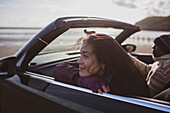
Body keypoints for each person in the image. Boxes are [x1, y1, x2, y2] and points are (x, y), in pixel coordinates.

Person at [53, 33, 151, 97]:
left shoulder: (120, 90)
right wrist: (80, 80)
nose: (79, 61)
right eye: (81, 55)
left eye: (85, 56)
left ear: (104, 62)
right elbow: (59, 68)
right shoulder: (104, 68)